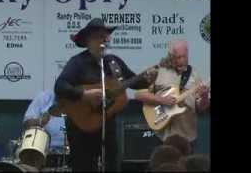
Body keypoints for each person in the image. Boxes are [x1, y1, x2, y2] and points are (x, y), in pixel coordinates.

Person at [54, 18, 150, 172]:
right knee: (83, 166)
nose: (103, 39)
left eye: (105, 36)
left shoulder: (113, 62)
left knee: (111, 163)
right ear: (88, 40)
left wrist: (149, 79)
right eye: (99, 36)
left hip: (106, 124)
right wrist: (84, 94)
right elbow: (60, 86)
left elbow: (134, 82)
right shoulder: (77, 62)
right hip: (81, 128)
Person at [135, 40, 210, 153]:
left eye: (184, 57)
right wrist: (162, 100)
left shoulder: (195, 75)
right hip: (162, 136)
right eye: (177, 57)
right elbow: (139, 95)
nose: (181, 60)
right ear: (170, 56)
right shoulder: (158, 72)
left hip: (187, 137)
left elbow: (200, 108)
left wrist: (204, 96)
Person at [22, 89, 67, 167]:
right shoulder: (44, 97)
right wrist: (41, 121)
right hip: (43, 151)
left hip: (70, 151)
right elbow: (26, 124)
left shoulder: (81, 100)